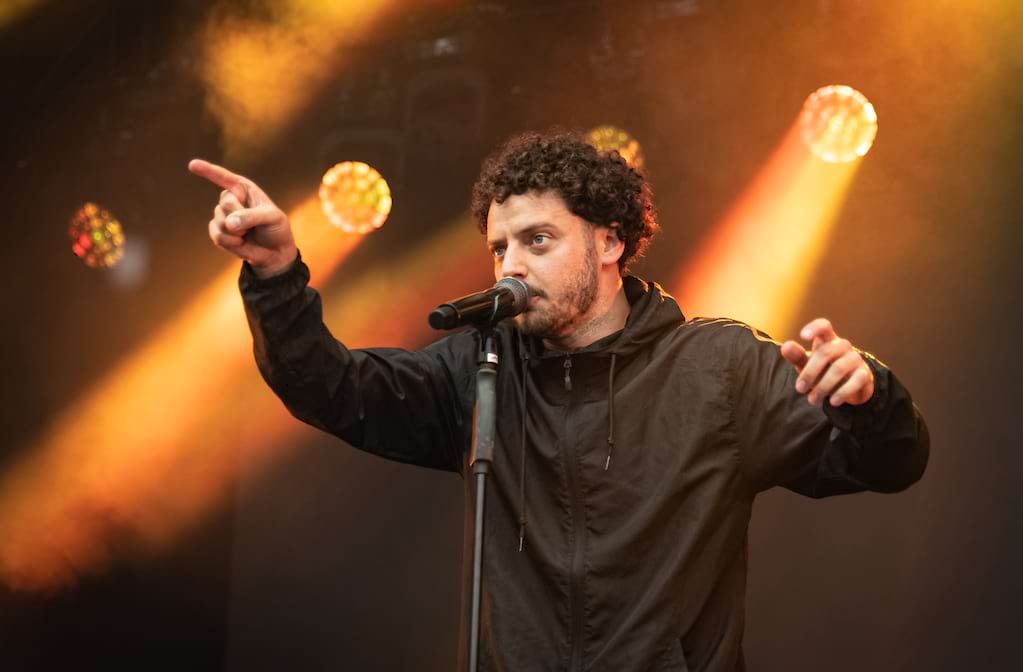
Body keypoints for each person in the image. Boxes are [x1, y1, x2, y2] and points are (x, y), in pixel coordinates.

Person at [190, 131, 929, 671]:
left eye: (536, 240)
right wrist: (277, 274)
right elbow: (335, 389)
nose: (510, 264)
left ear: (609, 243)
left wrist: (868, 399)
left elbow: (885, 464)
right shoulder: (481, 366)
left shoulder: (718, 367)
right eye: (499, 248)